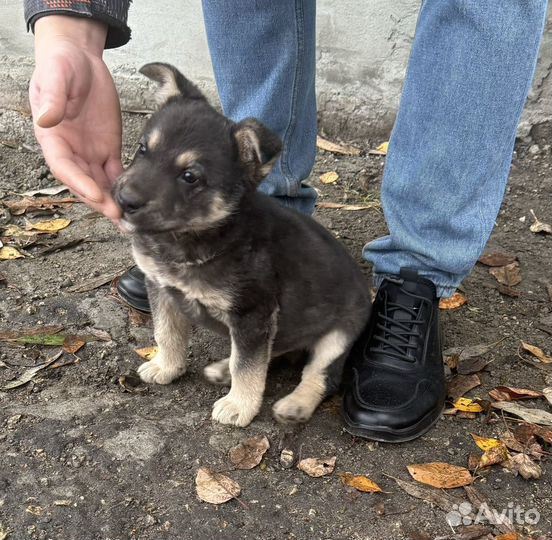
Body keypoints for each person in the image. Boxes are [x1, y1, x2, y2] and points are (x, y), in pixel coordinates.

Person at [24, 1, 548, 442]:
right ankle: (232, 249)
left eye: (190, 179)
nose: (135, 188)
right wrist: (68, 22)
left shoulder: (238, 242)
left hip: (314, 307)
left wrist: (242, 389)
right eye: (145, 152)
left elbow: (252, 314)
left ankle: (413, 276)